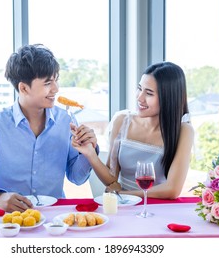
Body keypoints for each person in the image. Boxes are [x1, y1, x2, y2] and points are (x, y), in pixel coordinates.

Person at [0, 44, 98, 212]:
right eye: (48, 83)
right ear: (24, 88)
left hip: (53, 218)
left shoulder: (66, 121)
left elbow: (77, 177)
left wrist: (88, 153)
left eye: (56, 80)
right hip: (8, 220)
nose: (56, 89)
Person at [73, 61, 194, 199]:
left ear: (168, 98)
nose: (139, 97)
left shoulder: (183, 131)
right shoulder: (122, 121)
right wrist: (90, 154)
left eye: (149, 93)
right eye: (139, 88)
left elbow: (172, 190)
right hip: (125, 206)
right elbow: (112, 178)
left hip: (157, 206)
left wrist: (123, 194)